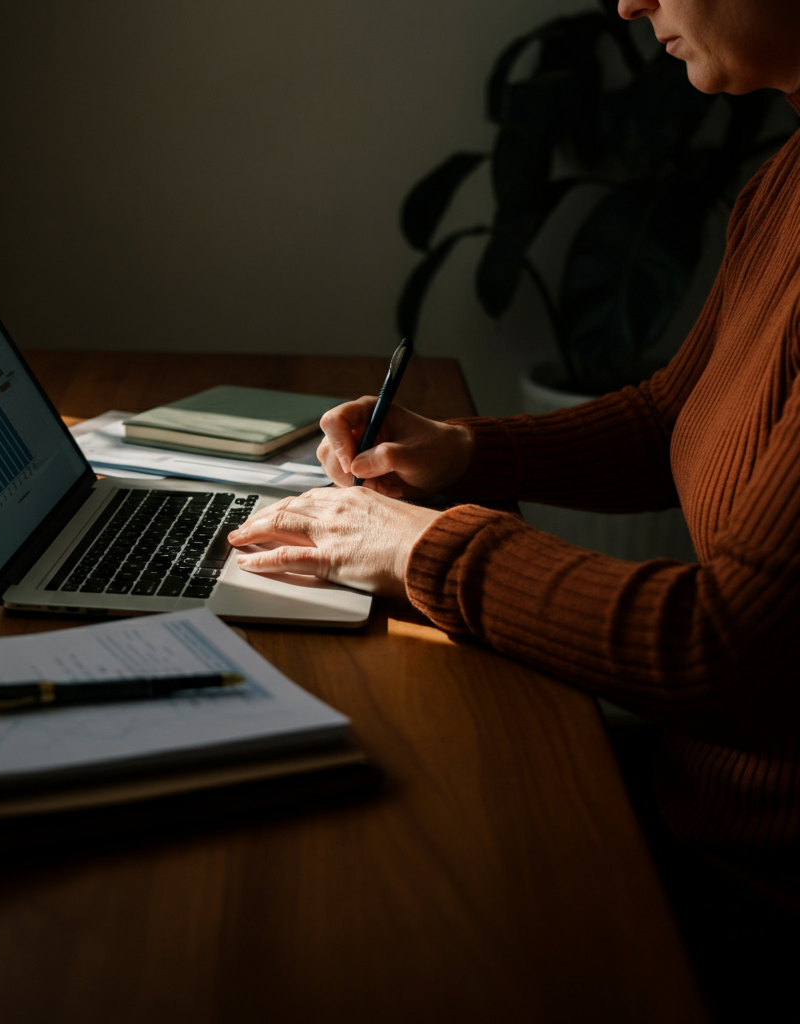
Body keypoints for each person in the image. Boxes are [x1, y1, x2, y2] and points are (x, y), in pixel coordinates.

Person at [229, 1, 800, 1017]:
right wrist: (465, 452)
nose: (627, 2)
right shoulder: (785, 181)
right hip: (698, 818)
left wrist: (422, 550)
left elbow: (731, 648)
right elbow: (676, 411)